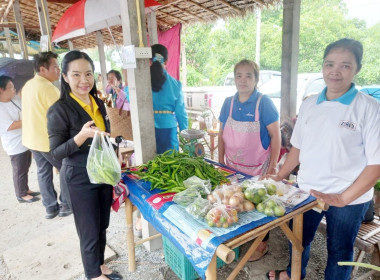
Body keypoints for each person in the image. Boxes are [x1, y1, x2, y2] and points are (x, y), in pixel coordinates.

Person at [265, 38, 380, 280]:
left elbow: (375, 165)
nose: (335, 71)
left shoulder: (369, 108)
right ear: (323, 67)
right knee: (297, 240)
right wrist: (279, 175)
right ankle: (293, 274)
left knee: (340, 250)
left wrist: (342, 197)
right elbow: (297, 147)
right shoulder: (310, 104)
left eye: (345, 65)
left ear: (357, 69)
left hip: (349, 198)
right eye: (329, 64)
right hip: (308, 191)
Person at [47, 50, 122, 280]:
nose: (84, 80)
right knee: (89, 229)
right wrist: (81, 137)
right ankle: (93, 275)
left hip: (103, 172)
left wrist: (116, 153)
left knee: (102, 224)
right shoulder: (59, 110)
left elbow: (104, 136)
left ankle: (99, 265)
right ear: (65, 76)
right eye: (77, 74)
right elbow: (56, 152)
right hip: (80, 178)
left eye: (88, 74)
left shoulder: (97, 101)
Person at [218, 59, 281, 261]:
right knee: (237, 202)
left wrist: (271, 168)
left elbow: (275, 136)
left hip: (258, 167)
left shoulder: (264, 103)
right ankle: (242, 236)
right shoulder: (228, 103)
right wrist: (220, 163)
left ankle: (261, 241)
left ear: (256, 79)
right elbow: (220, 135)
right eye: (239, 75)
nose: (243, 80)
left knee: (259, 205)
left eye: (248, 76)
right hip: (232, 166)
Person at [21, 51, 71, 219]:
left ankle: (50, 208)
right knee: (66, 167)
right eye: (55, 67)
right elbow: (62, 114)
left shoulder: (28, 85)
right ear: (43, 69)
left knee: (43, 171)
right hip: (46, 141)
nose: (58, 70)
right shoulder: (47, 88)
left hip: (31, 139)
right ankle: (65, 204)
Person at [0, 75, 40, 203]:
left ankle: (25, 189)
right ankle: (21, 194)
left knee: (25, 166)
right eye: (10, 87)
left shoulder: (14, 98)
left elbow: (26, 106)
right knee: (19, 169)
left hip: (25, 139)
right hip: (14, 144)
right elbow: (10, 126)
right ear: (1, 90)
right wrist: (29, 119)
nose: (13, 89)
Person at [150, 44, 188, 154]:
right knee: (170, 164)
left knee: (150, 164)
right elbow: (181, 113)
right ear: (166, 61)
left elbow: (130, 99)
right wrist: (185, 133)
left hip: (148, 127)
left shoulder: (142, 83)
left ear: (149, 61)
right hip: (169, 129)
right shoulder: (176, 85)